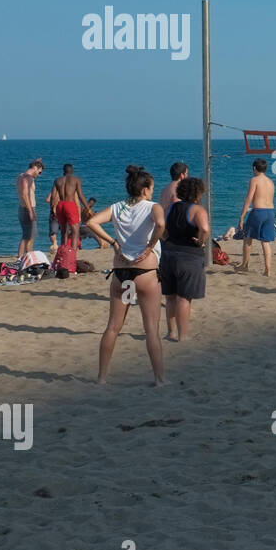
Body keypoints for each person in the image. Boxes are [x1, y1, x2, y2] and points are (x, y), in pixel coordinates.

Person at [84, 165, 167, 386]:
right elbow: (160, 223)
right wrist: (150, 245)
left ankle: (101, 378)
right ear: (145, 189)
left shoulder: (117, 207)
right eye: (151, 188)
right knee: (151, 328)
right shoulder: (152, 206)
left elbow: (90, 222)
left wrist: (113, 242)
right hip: (146, 271)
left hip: (121, 271)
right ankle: (159, 379)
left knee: (113, 326)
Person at [160, 177, 211, 342]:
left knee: (170, 296)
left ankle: (171, 332)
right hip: (188, 255)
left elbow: (160, 226)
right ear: (198, 193)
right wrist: (201, 242)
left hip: (168, 253)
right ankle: (183, 336)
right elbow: (204, 228)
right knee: (184, 298)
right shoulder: (197, 210)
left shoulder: (171, 207)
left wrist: (166, 238)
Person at [236, 158, 276, 275]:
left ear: (254, 168)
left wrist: (242, 216)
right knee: (265, 241)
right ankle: (267, 269)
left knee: (248, 238)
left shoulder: (254, 180)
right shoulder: (271, 182)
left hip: (259, 211)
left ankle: (245, 265)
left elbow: (249, 198)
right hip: (270, 212)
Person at [50, 163, 92, 274]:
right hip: (69, 204)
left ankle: (64, 252)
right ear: (72, 171)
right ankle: (72, 255)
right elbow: (81, 195)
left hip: (60, 205)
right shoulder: (76, 179)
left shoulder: (57, 180)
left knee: (63, 230)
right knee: (75, 230)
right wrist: (88, 208)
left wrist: (52, 210)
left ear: (63, 171)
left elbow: (53, 197)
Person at [15, 159, 44, 257]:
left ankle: (20, 258)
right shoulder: (29, 178)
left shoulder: (21, 176)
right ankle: (28, 257)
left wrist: (35, 162)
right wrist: (30, 211)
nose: (39, 175)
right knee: (30, 236)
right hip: (28, 208)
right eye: (40, 172)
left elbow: (23, 193)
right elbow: (25, 195)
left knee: (26, 235)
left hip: (22, 208)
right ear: (36, 168)